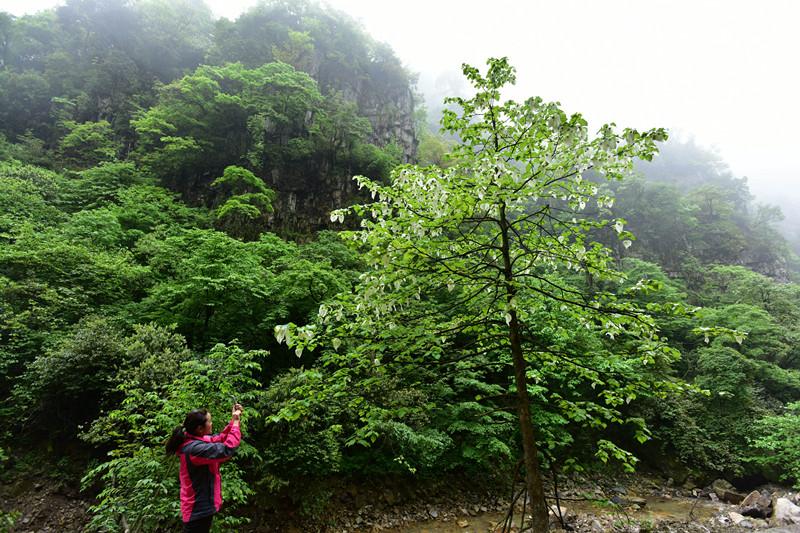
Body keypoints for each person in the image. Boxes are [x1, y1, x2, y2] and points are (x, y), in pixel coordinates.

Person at [165, 403, 243, 533]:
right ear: (200, 428)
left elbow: (219, 439)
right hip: (197, 509)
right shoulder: (194, 449)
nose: (211, 424)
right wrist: (235, 424)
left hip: (200, 508)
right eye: (209, 421)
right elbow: (227, 449)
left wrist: (234, 420)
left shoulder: (197, 440)